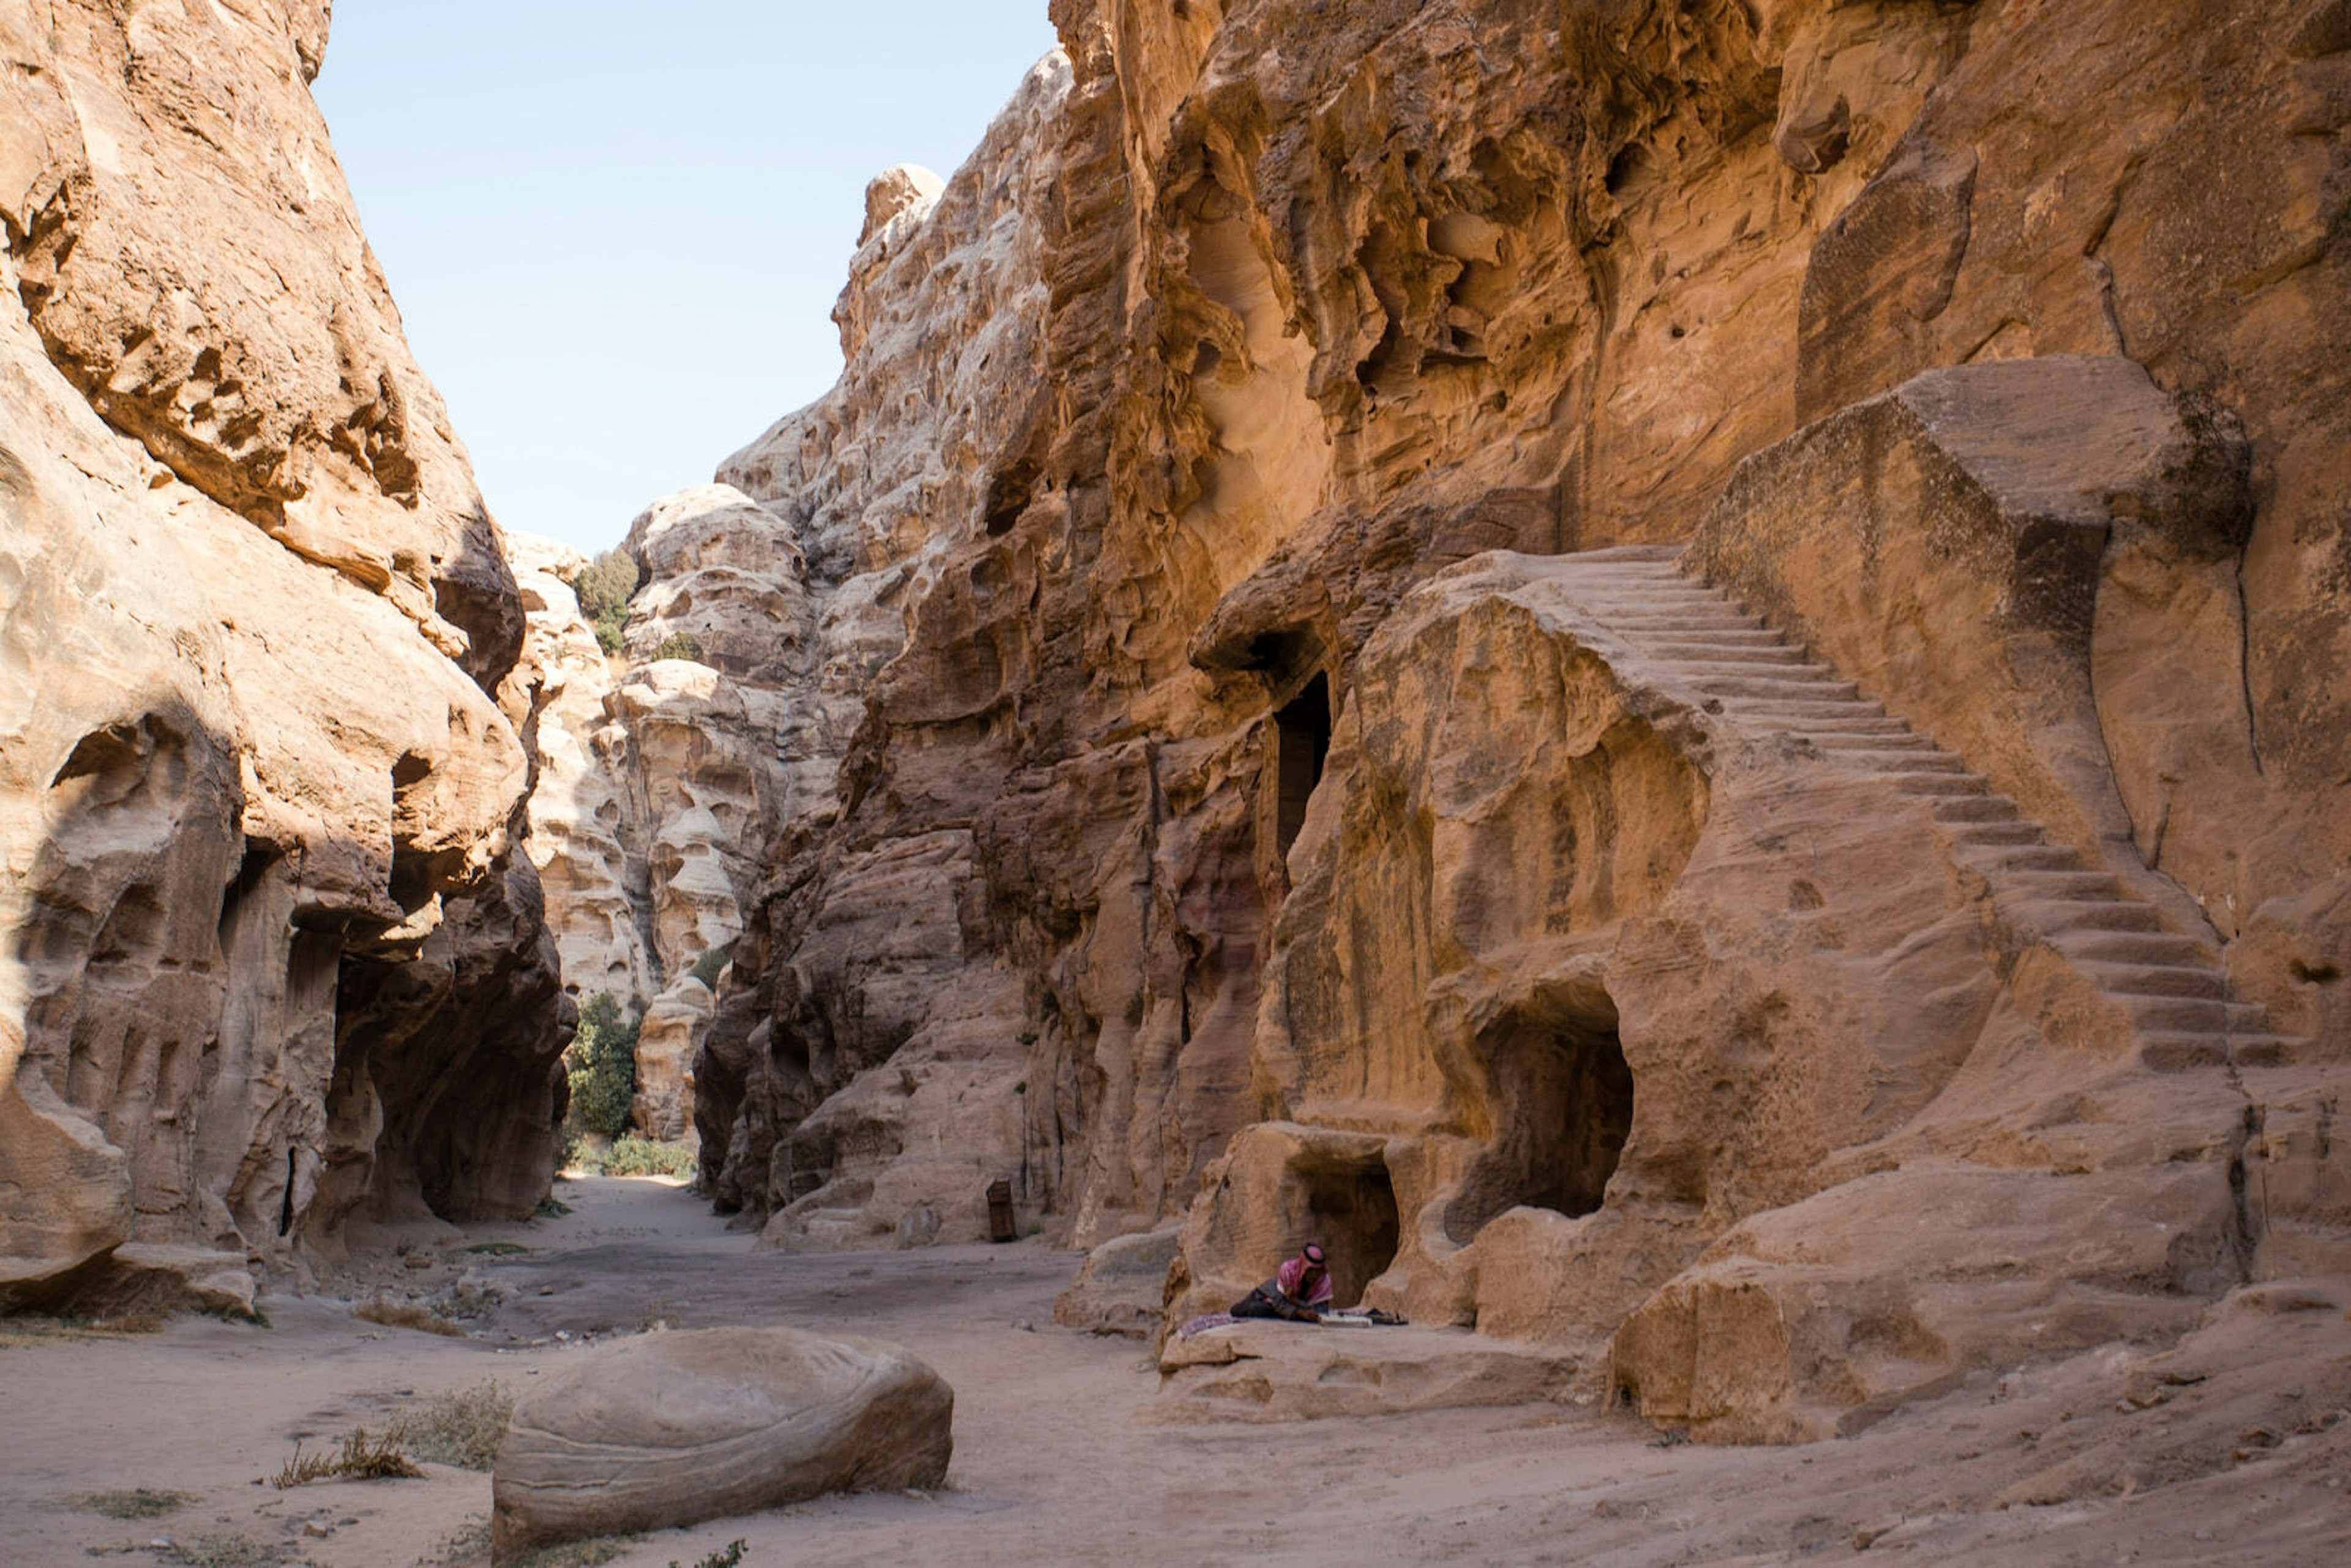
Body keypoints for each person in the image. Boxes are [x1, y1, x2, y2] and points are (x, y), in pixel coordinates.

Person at [1231, 1242, 1335, 1322]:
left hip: (1288, 1308)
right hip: (1268, 1296)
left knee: (1262, 1311)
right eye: (1311, 1270)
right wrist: (1299, 1313)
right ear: (1304, 1267)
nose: (1314, 1275)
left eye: (1318, 1271)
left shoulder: (1324, 1281)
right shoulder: (1288, 1270)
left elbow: (1322, 1312)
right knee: (1248, 1309)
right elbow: (1279, 1302)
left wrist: (1296, 1302)